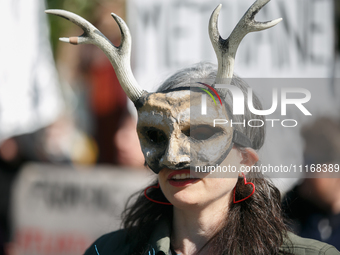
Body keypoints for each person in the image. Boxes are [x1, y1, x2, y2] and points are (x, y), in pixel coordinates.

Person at [46, 0, 340, 254]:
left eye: (201, 133)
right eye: (157, 135)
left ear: (244, 159)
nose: (173, 157)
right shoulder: (106, 252)